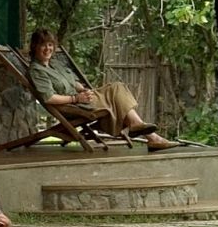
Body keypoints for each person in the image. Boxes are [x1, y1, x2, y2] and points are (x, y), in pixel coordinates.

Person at [27, 28, 179, 152]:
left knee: (117, 88)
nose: (48, 49)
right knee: (116, 93)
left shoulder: (56, 64)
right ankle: (150, 136)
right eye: (43, 45)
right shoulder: (37, 70)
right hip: (71, 106)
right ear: (35, 47)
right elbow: (49, 98)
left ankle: (146, 133)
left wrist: (84, 91)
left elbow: (74, 83)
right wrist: (76, 99)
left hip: (81, 98)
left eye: (50, 45)